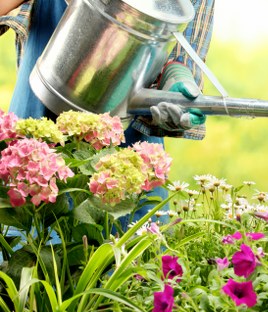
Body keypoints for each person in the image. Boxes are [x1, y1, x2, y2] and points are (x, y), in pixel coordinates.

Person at [0, 0, 215, 220]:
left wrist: (176, 82)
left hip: (123, 167)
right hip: (34, 150)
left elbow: (182, 56)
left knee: (122, 248)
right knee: (32, 245)